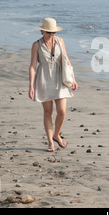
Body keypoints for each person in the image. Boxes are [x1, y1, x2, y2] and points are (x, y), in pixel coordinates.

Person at [29, 18, 78, 152]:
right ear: (43, 31)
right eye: (49, 32)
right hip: (44, 80)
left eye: (53, 32)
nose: (51, 35)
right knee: (48, 113)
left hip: (59, 79)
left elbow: (66, 60)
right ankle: (50, 141)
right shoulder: (36, 45)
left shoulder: (60, 41)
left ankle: (57, 134)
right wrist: (31, 86)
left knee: (62, 111)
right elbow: (33, 66)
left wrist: (73, 79)